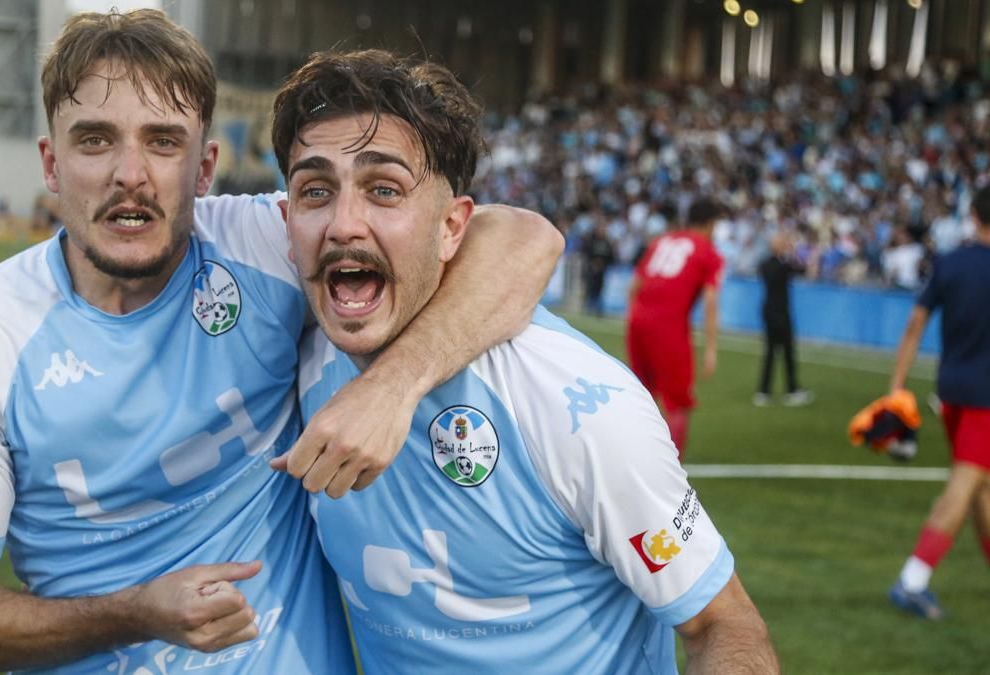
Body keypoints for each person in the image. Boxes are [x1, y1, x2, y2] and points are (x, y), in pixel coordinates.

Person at [0, 10, 562, 674]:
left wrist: (393, 386)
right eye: (95, 140)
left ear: (206, 167)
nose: (130, 173)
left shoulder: (264, 247)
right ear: (51, 161)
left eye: (163, 142)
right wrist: (137, 611)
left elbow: (526, 239)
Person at [276, 48, 778, 673]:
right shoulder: (285, 349)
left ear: (454, 226)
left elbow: (723, 625)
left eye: (385, 190)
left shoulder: (577, 404)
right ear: (285, 218)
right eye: (315, 191)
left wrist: (393, 385)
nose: (344, 223)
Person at [886, 183, 990, 620]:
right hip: (987, 396)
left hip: (950, 391)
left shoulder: (950, 263)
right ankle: (913, 579)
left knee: (982, 486)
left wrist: (897, 385)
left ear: (974, 217)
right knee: (966, 483)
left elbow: (914, 325)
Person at [625, 198, 724, 461]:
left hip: (638, 321)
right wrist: (712, 349)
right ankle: (670, 471)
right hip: (668, 326)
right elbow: (711, 301)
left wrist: (634, 320)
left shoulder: (662, 241)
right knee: (678, 401)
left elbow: (634, 286)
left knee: (642, 395)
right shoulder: (708, 251)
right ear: (712, 224)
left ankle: (630, 455)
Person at [754, 232, 812, 407]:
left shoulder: (765, 264)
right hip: (780, 313)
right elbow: (803, 269)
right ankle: (792, 390)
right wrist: (792, 253)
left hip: (768, 312)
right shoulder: (782, 265)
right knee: (787, 352)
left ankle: (764, 391)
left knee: (770, 352)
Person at [581, 219, 615, 316]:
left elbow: (611, 257)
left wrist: (603, 264)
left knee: (599, 289)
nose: (602, 231)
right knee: (590, 288)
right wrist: (593, 263)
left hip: (602, 270)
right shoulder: (592, 241)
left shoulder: (608, 242)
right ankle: (588, 308)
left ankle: (598, 309)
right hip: (591, 269)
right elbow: (586, 253)